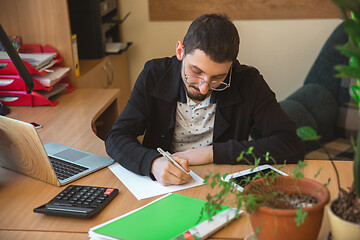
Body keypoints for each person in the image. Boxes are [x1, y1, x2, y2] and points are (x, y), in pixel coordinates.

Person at [105, 13, 305, 186]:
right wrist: (152, 163)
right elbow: (117, 137)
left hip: (219, 185)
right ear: (180, 51)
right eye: (196, 71)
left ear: (230, 67)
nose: (203, 87)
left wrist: (212, 153)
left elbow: (291, 144)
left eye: (218, 78)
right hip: (163, 186)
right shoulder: (154, 74)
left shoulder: (248, 82)